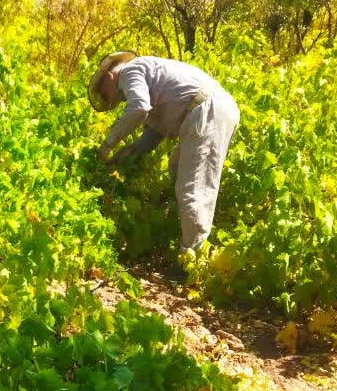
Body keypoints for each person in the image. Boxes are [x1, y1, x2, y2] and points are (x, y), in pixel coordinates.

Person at [88, 52, 239, 255]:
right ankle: (187, 242)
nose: (111, 101)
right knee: (177, 167)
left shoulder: (129, 72)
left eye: (105, 95)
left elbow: (139, 108)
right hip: (210, 109)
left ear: (109, 78)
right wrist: (131, 151)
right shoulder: (147, 74)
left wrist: (107, 145)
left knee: (194, 188)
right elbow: (153, 133)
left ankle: (190, 260)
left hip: (207, 111)